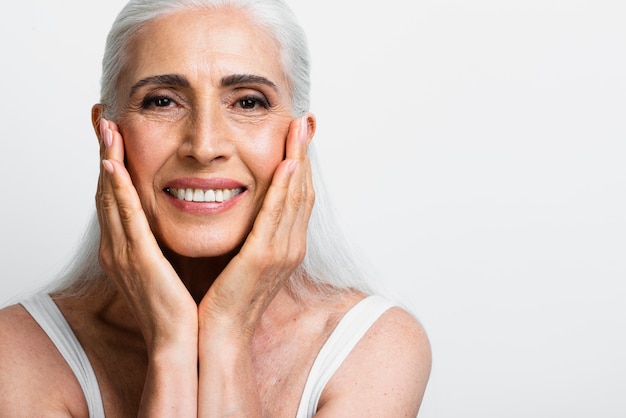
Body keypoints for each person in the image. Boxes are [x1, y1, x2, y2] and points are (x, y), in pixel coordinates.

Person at [0, 0, 431, 416]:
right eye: (163, 100)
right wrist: (172, 345)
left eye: (247, 102)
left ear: (300, 136)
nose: (204, 147)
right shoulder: (18, 351)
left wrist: (226, 335)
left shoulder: (374, 346)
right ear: (106, 133)